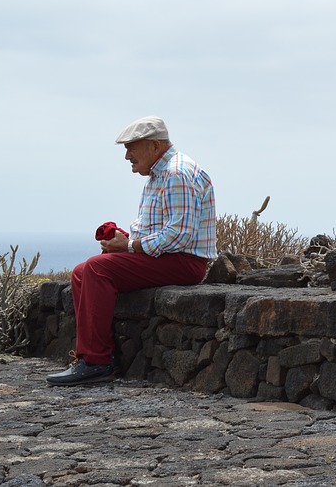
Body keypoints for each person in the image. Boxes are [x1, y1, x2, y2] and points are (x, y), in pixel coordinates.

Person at [46, 116, 217, 386]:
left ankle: (96, 362)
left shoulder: (176, 174)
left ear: (154, 146)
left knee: (96, 269)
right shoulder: (161, 174)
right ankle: (94, 356)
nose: (127, 155)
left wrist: (127, 246)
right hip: (169, 257)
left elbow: (179, 235)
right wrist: (125, 238)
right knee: (81, 272)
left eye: (131, 147)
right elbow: (163, 230)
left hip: (184, 262)